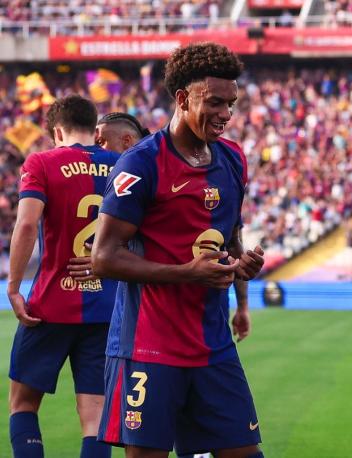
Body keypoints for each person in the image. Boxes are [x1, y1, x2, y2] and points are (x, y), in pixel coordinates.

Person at [92, 42, 265, 458]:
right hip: (148, 347)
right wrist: (187, 273)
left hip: (212, 345)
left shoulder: (233, 159)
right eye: (215, 102)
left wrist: (240, 269)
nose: (226, 114)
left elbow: (229, 236)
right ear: (183, 99)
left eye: (231, 104)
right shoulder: (141, 164)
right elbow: (104, 257)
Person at [7, 94, 121, 458]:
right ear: (95, 130)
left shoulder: (42, 162)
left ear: (57, 130)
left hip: (49, 305)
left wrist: (13, 287)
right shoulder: (122, 164)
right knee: (95, 417)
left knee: (23, 405)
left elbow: (26, 225)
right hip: (106, 306)